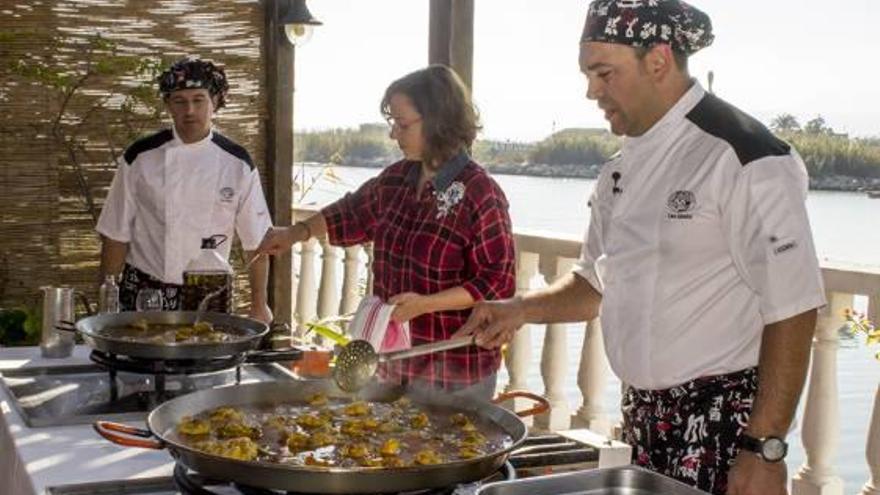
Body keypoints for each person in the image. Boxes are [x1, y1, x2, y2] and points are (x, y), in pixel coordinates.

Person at [456, 2, 826, 494]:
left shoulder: (745, 156)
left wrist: (765, 447)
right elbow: (595, 284)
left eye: (603, 72)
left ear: (658, 61)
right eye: (588, 74)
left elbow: (794, 307)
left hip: (725, 426)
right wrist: (519, 308)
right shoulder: (619, 169)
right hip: (642, 418)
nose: (591, 91)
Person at [256, 65, 516, 400]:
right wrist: (296, 232)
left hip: (454, 372)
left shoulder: (481, 192)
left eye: (402, 124)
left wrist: (425, 305)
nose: (394, 134)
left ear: (439, 121)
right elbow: (349, 213)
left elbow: (497, 282)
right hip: (391, 364)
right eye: (392, 123)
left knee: (450, 451)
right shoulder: (395, 180)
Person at [96, 57, 273, 323]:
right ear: (168, 105)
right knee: (138, 363)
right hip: (144, 291)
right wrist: (105, 303)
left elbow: (257, 242)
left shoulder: (238, 164)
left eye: (199, 99)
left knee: (207, 363)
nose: (189, 110)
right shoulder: (140, 157)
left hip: (208, 294)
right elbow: (115, 235)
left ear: (214, 102)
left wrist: (260, 305)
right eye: (180, 101)